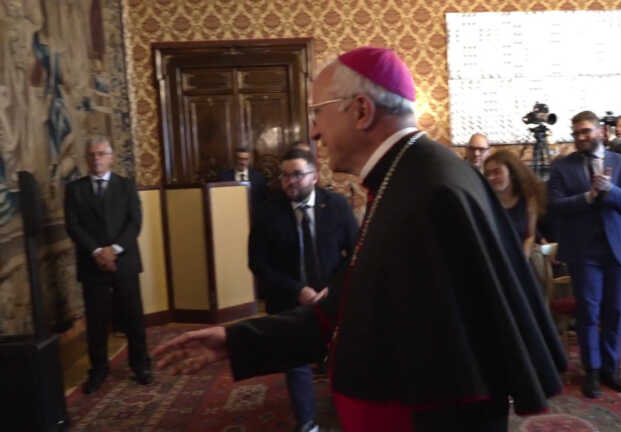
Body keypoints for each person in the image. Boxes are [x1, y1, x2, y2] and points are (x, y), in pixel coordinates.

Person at [154, 46, 566, 431]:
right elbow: (345, 309)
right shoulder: (406, 176)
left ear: (362, 110)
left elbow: (454, 359)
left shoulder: (428, 189)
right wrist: (236, 340)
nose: (314, 131)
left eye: (318, 112)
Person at [249, 148, 358, 432]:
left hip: (333, 298)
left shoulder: (336, 206)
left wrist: (333, 289)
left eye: (297, 174)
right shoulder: (267, 211)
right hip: (288, 300)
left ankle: (348, 414)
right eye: (285, 176)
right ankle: (307, 424)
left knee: (343, 360)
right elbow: (258, 263)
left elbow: (356, 253)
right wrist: (298, 290)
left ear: (314, 176)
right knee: (296, 362)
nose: (290, 181)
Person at [548, 110, 621, 399]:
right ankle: (591, 369)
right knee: (588, 311)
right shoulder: (562, 166)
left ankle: (610, 369)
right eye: (576, 133)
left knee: (615, 310)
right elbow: (555, 205)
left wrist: (610, 189)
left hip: (617, 249)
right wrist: (587, 197)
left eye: (586, 131)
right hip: (583, 250)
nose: (580, 137)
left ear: (600, 131)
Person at [64, 137, 152, 393]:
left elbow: (135, 222)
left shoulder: (126, 186)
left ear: (111, 157)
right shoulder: (75, 189)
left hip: (125, 262)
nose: (96, 159)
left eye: (102, 154)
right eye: (92, 155)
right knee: (96, 322)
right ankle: (99, 370)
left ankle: (140, 365)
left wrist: (113, 250)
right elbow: (73, 225)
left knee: (133, 317)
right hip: (92, 264)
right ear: (86, 159)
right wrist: (97, 251)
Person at [484, 150, 546, 257]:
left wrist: (523, 258)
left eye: (497, 172)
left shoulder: (528, 199)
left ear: (511, 173)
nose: (491, 177)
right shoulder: (485, 201)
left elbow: (530, 236)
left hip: (521, 257)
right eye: (487, 174)